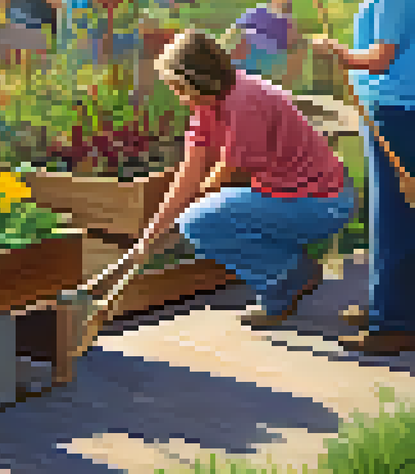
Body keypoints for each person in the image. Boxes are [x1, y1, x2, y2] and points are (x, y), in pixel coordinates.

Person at [132, 30, 353, 330]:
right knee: (198, 219)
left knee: (199, 222)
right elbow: (188, 177)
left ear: (197, 79)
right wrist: (150, 236)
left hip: (323, 204)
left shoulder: (245, 101)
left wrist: (173, 225)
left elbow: (223, 176)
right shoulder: (208, 106)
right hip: (292, 197)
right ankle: (286, 278)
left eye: (178, 87)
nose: (179, 97)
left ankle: (289, 278)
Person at [308, 0, 415, 355]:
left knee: (393, 216)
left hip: (397, 112)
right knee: (383, 213)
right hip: (385, 110)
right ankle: (385, 303)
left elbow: (380, 57)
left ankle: (396, 320)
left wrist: (338, 53)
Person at [227, 0, 303, 88]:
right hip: (251, 48)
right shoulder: (258, 12)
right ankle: (236, 72)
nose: (279, 2)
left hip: (272, 53)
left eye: (283, 1)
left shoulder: (288, 22)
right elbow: (236, 28)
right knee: (245, 36)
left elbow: (292, 44)